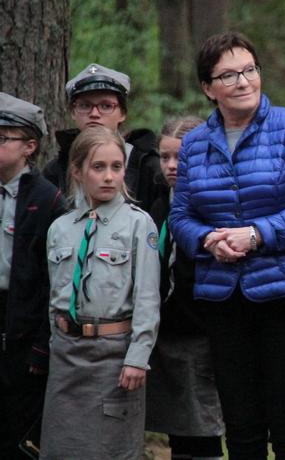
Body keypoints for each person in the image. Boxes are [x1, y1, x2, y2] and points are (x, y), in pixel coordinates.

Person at [170, 31, 285, 459]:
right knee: (241, 427)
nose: (243, 81)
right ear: (208, 88)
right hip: (224, 299)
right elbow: (180, 217)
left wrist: (256, 234)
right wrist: (207, 240)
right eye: (229, 75)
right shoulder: (194, 145)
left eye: (249, 70)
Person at [40, 127, 161, 459]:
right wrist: (56, 342)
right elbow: (55, 295)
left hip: (114, 355)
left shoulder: (138, 224)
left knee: (113, 448)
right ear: (77, 171)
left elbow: (147, 298)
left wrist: (137, 357)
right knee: (61, 448)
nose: (109, 177)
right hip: (67, 355)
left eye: (116, 167)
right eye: (98, 167)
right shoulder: (60, 227)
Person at [145, 116, 224, 460]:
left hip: (202, 333)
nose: (172, 166)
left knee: (202, 425)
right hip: (165, 332)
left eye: (181, 156)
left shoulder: (215, 204)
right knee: (177, 429)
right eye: (165, 157)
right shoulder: (160, 203)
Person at [0, 93, 66, 459]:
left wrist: (42, 346)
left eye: (2, 138)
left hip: (23, 328)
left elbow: (52, 281)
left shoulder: (47, 199)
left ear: (29, 147)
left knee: (18, 430)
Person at [43, 63, 165, 210]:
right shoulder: (56, 170)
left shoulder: (148, 167)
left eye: (106, 106)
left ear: (123, 113)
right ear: (73, 112)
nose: (94, 114)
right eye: (84, 106)